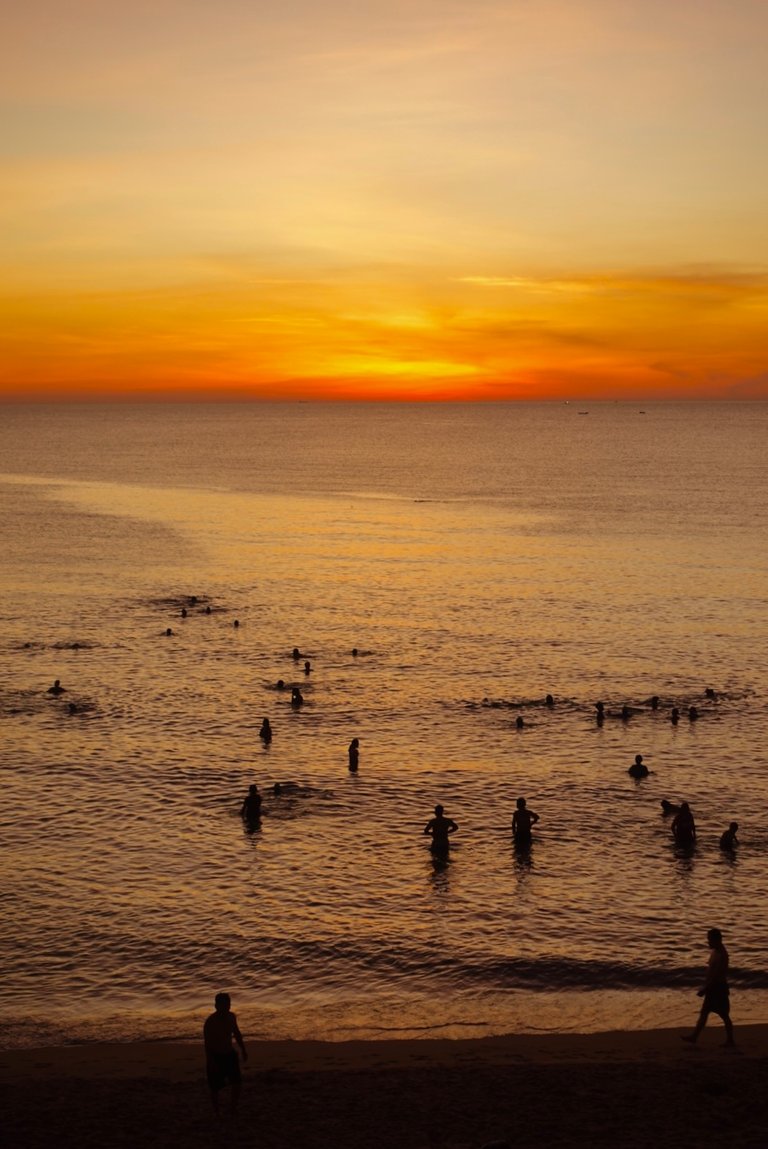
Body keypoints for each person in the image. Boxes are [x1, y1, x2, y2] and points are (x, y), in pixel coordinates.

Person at [682, 928, 735, 1046]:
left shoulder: (722, 954)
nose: (708, 942)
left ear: (717, 940)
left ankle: (730, 1040)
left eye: (710, 940)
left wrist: (705, 989)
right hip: (713, 987)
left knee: (724, 1015)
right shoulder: (715, 951)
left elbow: (716, 975)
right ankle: (694, 1036)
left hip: (719, 988)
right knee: (704, 1012)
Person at [203, 992, 248, 1114]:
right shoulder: (210, 1022)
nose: (226, 1007)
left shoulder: (231, 1017)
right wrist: (211, 1061)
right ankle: (216, 1111)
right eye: (223, 1005)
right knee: (215, 1088)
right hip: (215, 1055)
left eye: (228, 1005)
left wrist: (243, 1049)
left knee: (237, 1083)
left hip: (229, 1054)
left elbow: (237, 1034)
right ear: (216, 1006)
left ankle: (232, 1108)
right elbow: (207, 1044)